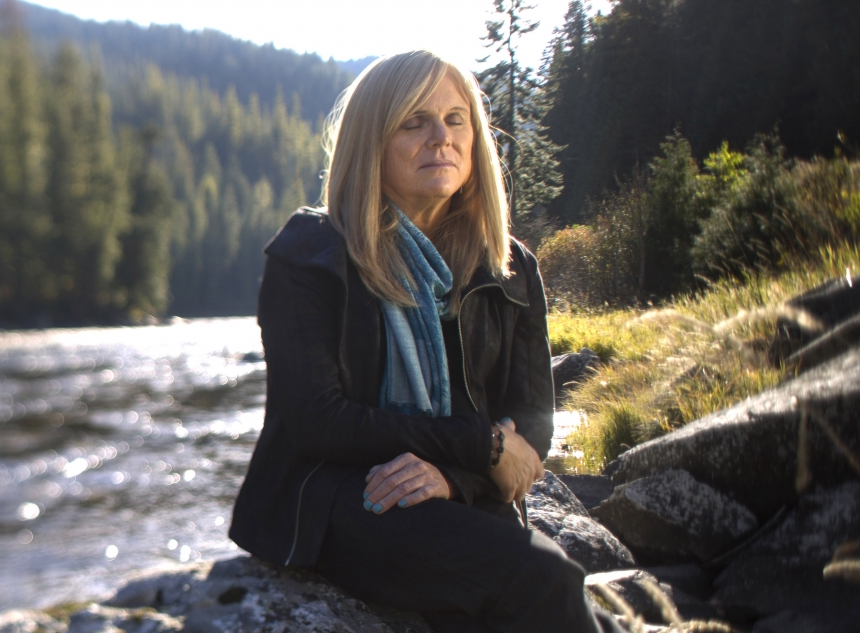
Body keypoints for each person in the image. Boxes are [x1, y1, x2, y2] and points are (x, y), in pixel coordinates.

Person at [228, 49, 626, 632]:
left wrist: (454, 475)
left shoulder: (511, 267)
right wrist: (481, 444)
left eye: (455, 119)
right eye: (413, 122)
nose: (440, 137)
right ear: (371, 142)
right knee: (544, 579)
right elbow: (319, 420)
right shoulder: (311, 254)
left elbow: (532, 424)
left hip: (457, 489)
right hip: (342, 496)